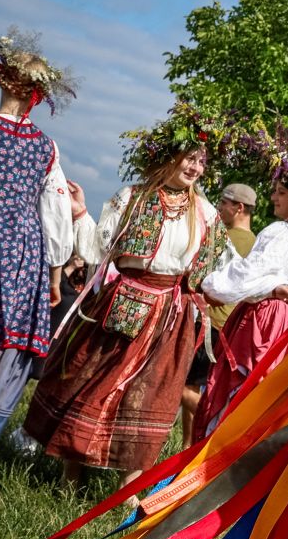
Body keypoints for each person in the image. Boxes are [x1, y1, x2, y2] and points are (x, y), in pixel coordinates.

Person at [24, 102, 236, 492]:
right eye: (189, 158)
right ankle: (71, 477)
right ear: (168, 157)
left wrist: (268, 287)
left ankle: (127, 492)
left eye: (201, 162)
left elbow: (225, 268)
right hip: (120, 304)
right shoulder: (133, 197)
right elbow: (99, 247)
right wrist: (80, 213)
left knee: (151, 397)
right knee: (91, 381)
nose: (195, 168)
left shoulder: (205, 212)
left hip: (170, 317)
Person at [192, 166, 288, 442]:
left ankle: (218, 461)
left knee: (243, 394)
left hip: (265, 321)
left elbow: (248, 275)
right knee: (267, 400)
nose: (273, 197)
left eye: (281, 192)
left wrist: (211, 285)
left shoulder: (281, 232)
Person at [0, 28, 77, 441]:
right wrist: (56, 275)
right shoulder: (46, 147)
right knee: (5, 343)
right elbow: (57, 215)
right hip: (22, 249)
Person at [180, 182, 259, 438]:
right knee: (191, 385)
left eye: (224, 203)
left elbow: (201, 275)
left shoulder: (225, 239)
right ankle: (185, 452)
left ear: (239, 208)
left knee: (180, 388)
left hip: (209, 323)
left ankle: (218, 426)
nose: (219, 208)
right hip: (226, 326)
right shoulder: (256, 243)